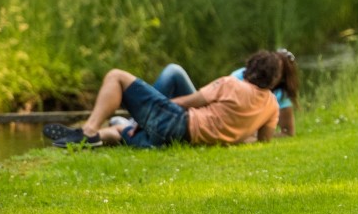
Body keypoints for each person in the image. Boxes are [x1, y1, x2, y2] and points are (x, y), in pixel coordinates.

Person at [44, 50, 282, 149]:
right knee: (121, 133)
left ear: (249, 67)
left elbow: (190, 101)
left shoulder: (231, 84)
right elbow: (263, 142)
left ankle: (89, 129)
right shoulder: (272, 104)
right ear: (273, 79)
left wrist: (150, 109)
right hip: (181, 141)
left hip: (179, 124)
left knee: (116, 76)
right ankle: (95, 139)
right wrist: (237, 135)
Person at [147, 48, 299, 136]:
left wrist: (254, 134)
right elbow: (226, 110)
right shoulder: (240, 78)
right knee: (174, 72)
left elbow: (287, 132)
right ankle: (144, 115)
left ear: (281, 78)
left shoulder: (278, 97)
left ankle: (144, 116)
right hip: (210, 116)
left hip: (223, 129)